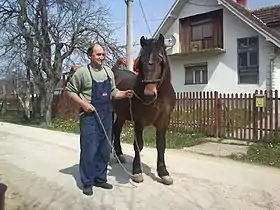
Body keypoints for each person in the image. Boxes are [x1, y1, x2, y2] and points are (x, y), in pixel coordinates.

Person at [66, 43, 134, 196]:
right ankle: (87, 182)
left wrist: (125, 94)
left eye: (103, 54)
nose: (102, 57)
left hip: (106, 115)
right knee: (89, 150)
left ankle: (100, 178)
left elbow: (113, 92)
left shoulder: (108, 72)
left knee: (104, 150)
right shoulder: (82, 73)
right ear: (90, 56)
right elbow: (70, 90)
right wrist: (84, 104)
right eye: (98, 55)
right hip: (89, 117)